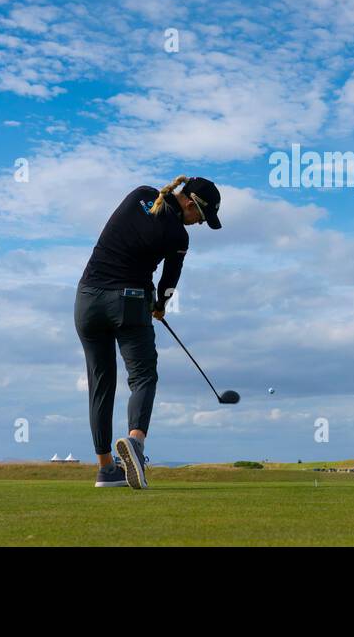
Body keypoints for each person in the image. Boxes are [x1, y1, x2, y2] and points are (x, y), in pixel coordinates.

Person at [75, 175, 222, 489]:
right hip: (129, 301)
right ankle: (136, 444)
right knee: (143, 377)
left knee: (100, 384)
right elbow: (169, 280)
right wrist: (160, 306)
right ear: (191, 202)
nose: (198, 224)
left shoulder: (139, 193)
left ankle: (106, 470)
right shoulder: (178, 236)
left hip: (86, 300)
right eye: (201, 216)